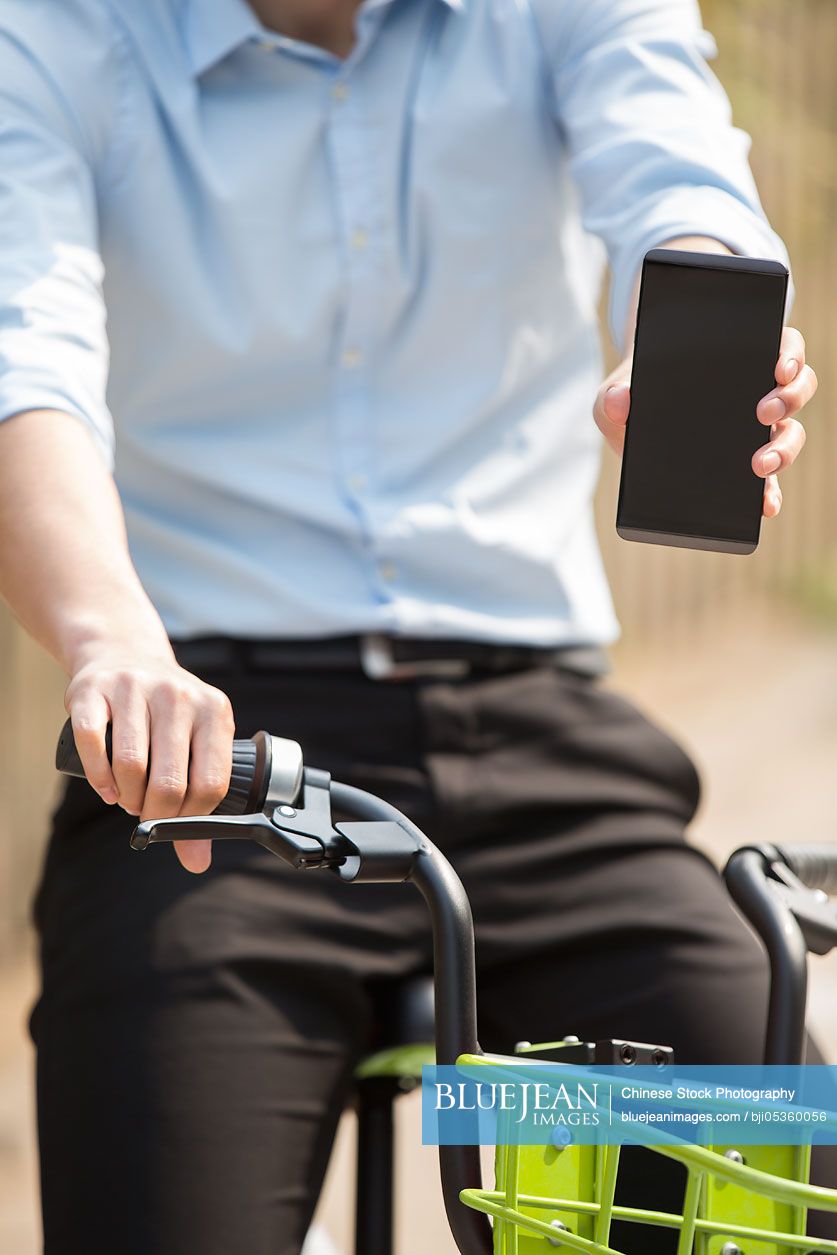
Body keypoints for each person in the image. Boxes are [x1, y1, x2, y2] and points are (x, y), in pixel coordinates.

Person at [0, 1, 826, 1253]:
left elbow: (673, 158)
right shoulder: (56, 32)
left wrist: (694, 324)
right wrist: (112, 638)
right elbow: (26, 356)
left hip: (544, 749)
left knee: (766, 1184)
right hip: (214, 775)